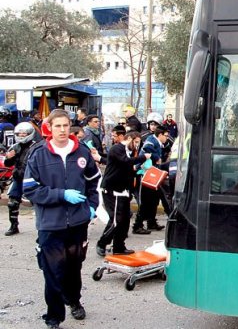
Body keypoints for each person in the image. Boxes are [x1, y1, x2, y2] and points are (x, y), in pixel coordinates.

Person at [23, 109, 100, 329]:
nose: (63, 130)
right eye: (57, 126)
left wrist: (92, 207)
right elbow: (30, 189)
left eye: (66, 125)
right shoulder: (38, 153)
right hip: (50, 225)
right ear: (49, 127)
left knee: (74, 268)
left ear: (71, 126)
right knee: (52, 272)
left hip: (77, 224)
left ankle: (73, 300)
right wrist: (61, 194)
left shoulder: (82, 153)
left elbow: (94, 182)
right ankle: (54, 316)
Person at [96, 127, 151, 257]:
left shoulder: (128, 152)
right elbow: (124, 162)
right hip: (111, 189)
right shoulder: (117, 149)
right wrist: (143, 158)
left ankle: (119, 246)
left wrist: (138, 169)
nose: (137, 145)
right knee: (116, 219)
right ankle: (102, 243)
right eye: (136, 142)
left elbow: (126, 168)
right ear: (129, 139)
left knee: (125, 219)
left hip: (123, 189)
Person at [132, 126, 169, 234]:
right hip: (145, 175)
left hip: (152, 175)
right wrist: (156, 157)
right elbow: (147, 148)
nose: (166, 138)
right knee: (146, 201)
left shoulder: (157, 142)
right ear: (160, 135)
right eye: (166, 136)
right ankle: (137, 225)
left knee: (154, 200)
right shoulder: (151, 140)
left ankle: (151, 222)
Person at [3, 122, 38, 236]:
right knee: (12, 202)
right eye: (20, 133)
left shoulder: (36, 146)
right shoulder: (15, 146)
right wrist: (9, 158)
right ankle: (14, 226)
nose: (22, 135)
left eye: (24, 133)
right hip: (18, 178)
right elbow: (7, 163)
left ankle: (45, 226)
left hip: (32, 178)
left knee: (40, 202)